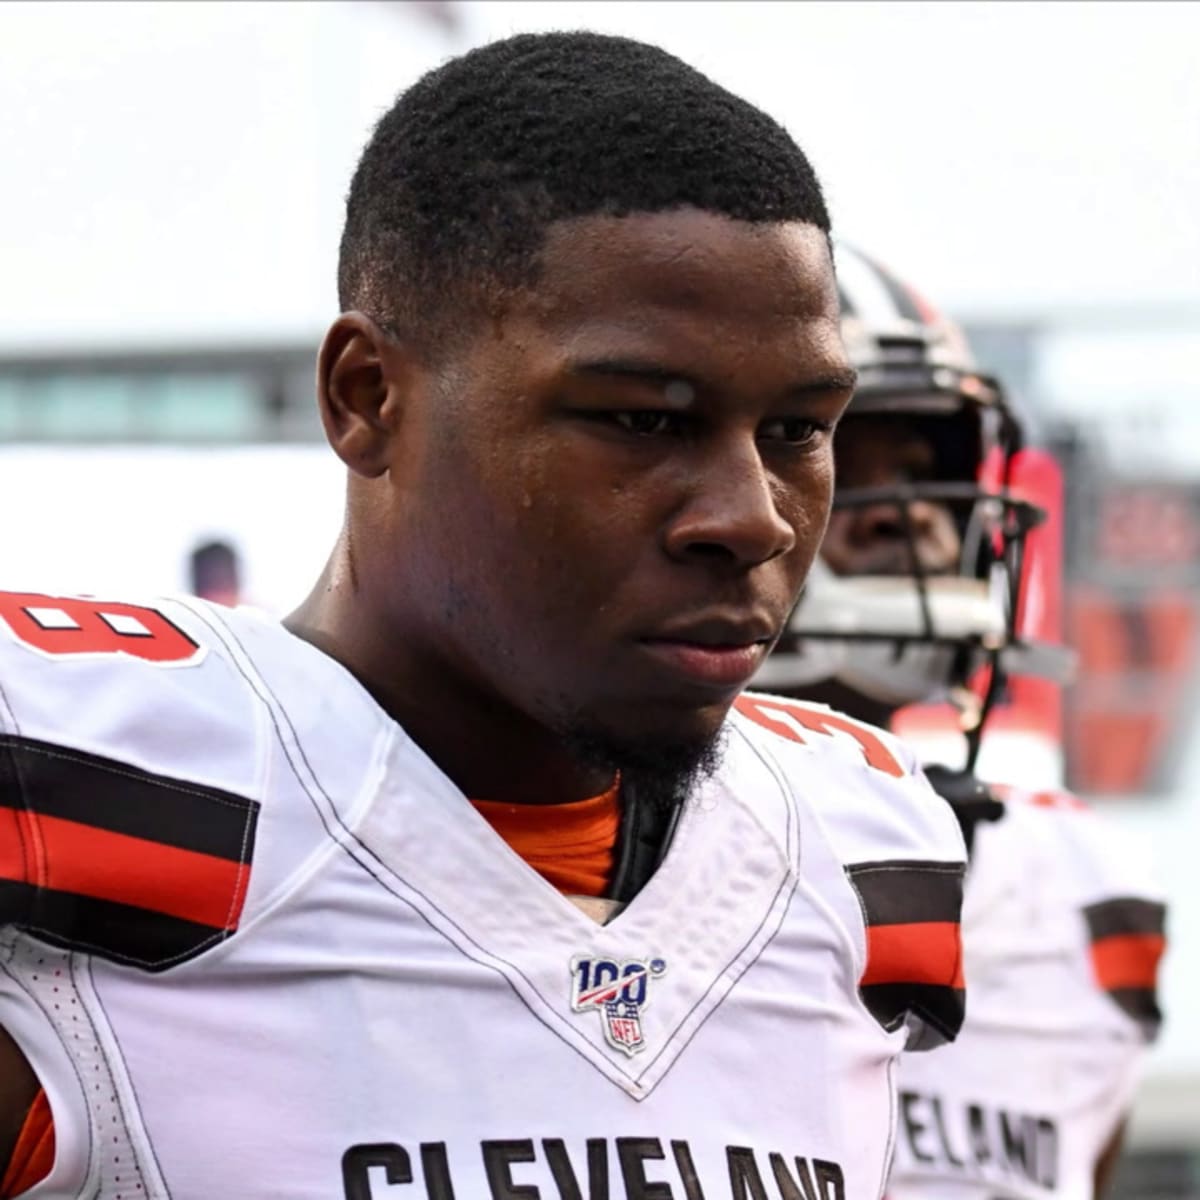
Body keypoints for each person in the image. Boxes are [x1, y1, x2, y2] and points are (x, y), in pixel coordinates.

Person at [0, 34, 968, 1199]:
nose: (751, 519)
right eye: (643, 421)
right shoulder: (96, 797)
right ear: (369, 399)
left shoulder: (861, 845)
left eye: (799, 430)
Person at [756, 242, 1167, 1200]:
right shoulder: (586, 841)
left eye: (921, 466)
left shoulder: (1081, 891)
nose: (914, 518)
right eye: (837, 461)